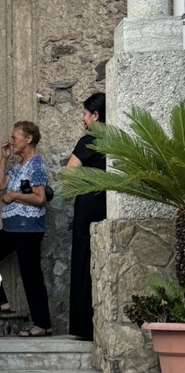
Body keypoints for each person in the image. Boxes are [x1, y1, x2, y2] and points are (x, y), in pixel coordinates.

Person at [0, 120, 51, 337]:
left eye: (15, 137)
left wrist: (15, 195)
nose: (11, 140)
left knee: (31, 275)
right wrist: (3, 158)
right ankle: (3, 303)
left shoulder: (36, 165)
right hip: (11, 229)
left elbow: (40, 198)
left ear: (28, 139)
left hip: (28, 230)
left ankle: (43, 324)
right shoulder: (16, 167)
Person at [67, 93, 106, 340]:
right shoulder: (117, 141)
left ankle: (83, 326)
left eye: (84, 114)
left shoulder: (88, 141)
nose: (83, 119)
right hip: (107, 205)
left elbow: (70, 175)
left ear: (95, 115)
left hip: (89, 205)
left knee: (83, 260)